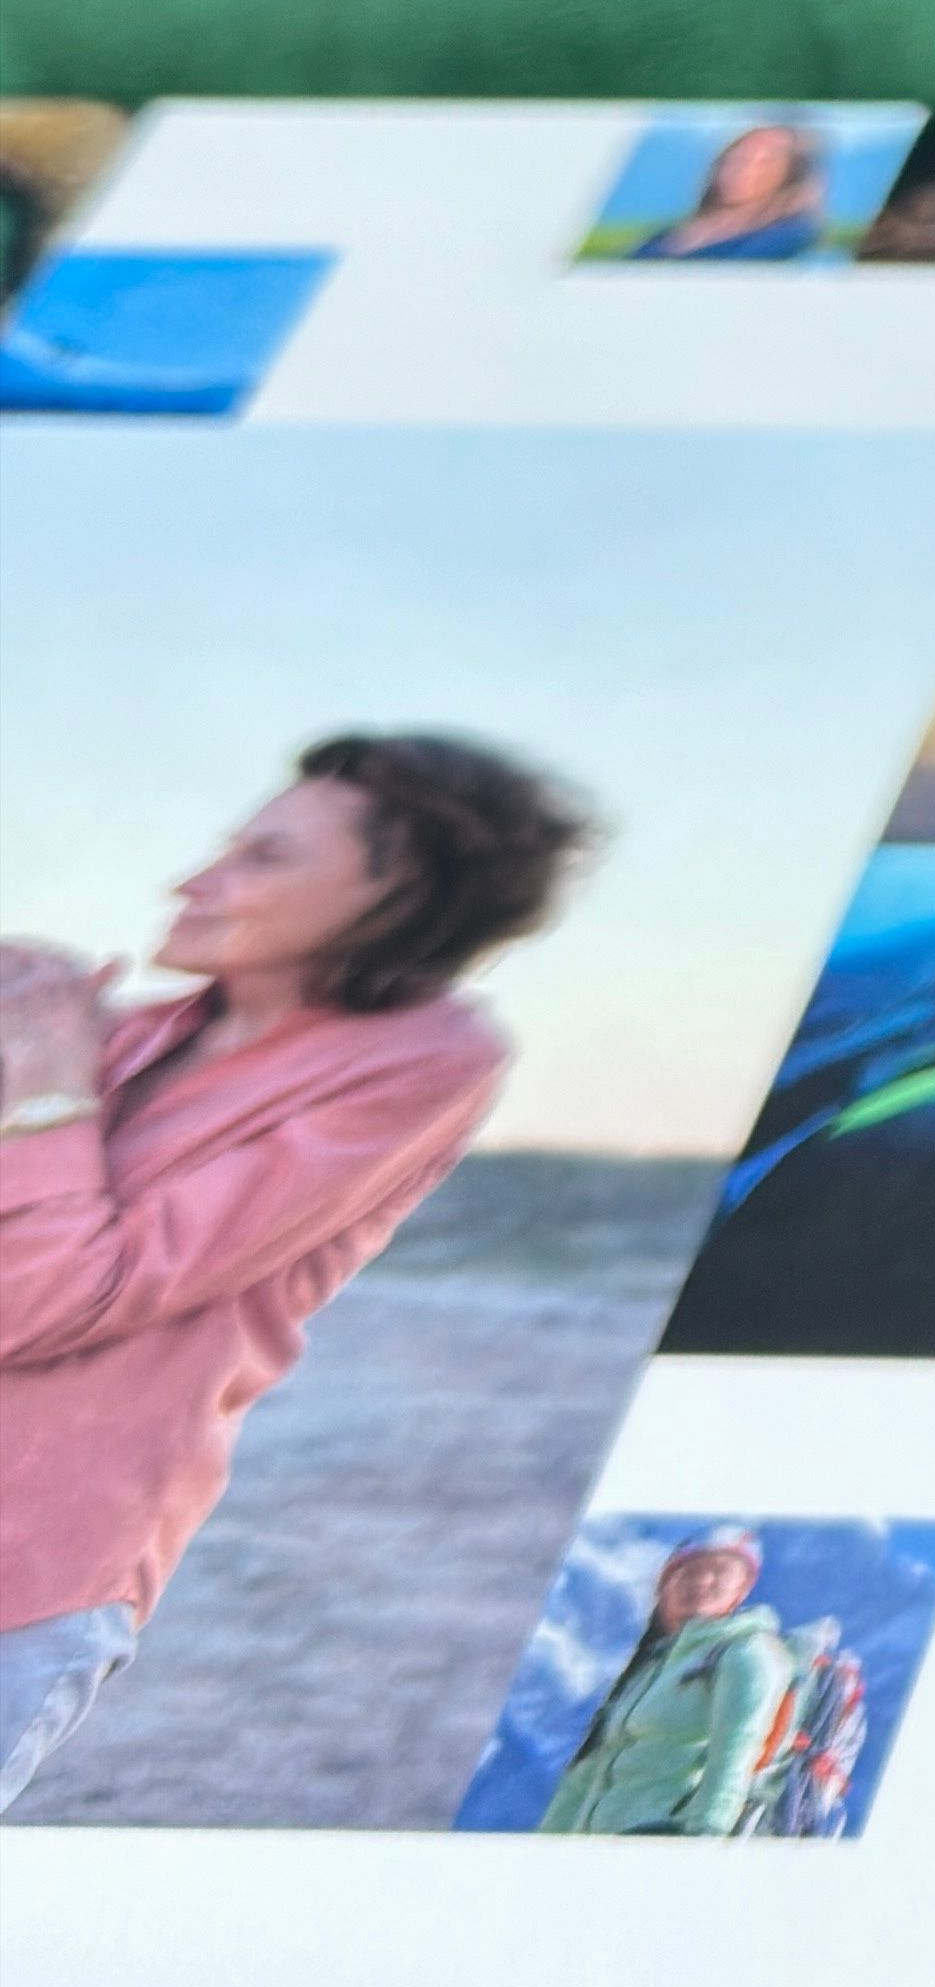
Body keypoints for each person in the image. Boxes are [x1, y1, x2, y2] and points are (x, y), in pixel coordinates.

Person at [0, 731, 599, 1814]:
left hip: (28, 1569)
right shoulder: (122, 1036)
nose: (194, 881)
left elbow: (50, 1297)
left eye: (263, 858)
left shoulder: (423, 1062)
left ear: (408, 896)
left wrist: (41, 1085)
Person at [536, 1534, 803, 1836]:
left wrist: (706, 1835)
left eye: (718, 1570)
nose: (700, 1580)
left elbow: (736, 1752)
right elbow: (590, 1772)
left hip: (663, 1833)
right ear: (665, 1588)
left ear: (741, 1589)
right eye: (687, 1572)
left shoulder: (746, 1653)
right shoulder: (649, 1669)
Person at [632, 122, 837, 263]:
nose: (742, 168)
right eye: (738, 156)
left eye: (765, 161)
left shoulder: (786, 238)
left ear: (790, 174)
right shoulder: (671, 232)